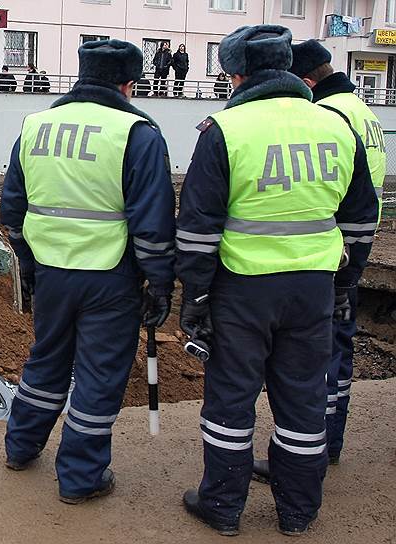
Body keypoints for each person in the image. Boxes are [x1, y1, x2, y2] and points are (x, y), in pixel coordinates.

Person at [176, 25, 377, 537]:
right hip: (313, 287)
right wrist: (344, 282)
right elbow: (360, 219)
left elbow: (198, 229)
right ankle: (298, 511)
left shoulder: (225, 129)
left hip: (242, 290)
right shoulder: (336, 127)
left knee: (230, 399)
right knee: (304, 399)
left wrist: (195, 298)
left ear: (239, 74)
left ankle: (222, 506)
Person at [2, 39, 176, 505]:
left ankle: (20, 447)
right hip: (109, 273)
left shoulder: (36, 125)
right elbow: (153, 221)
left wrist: (27, 262)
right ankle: (80, 478)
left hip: (51, 271)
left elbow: (13, 208)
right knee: (99, 376)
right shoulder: (136, 132)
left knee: (47, 359)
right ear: (128, 84)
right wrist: (159, 282)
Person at [251, 39, 387, 483]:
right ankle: (328, 443)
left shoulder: (329, 117)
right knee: (337, 352)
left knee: (311, 364)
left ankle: (309, 450)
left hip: (324, 258)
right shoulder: (362, 110)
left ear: (306, 81)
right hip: (354, 248)